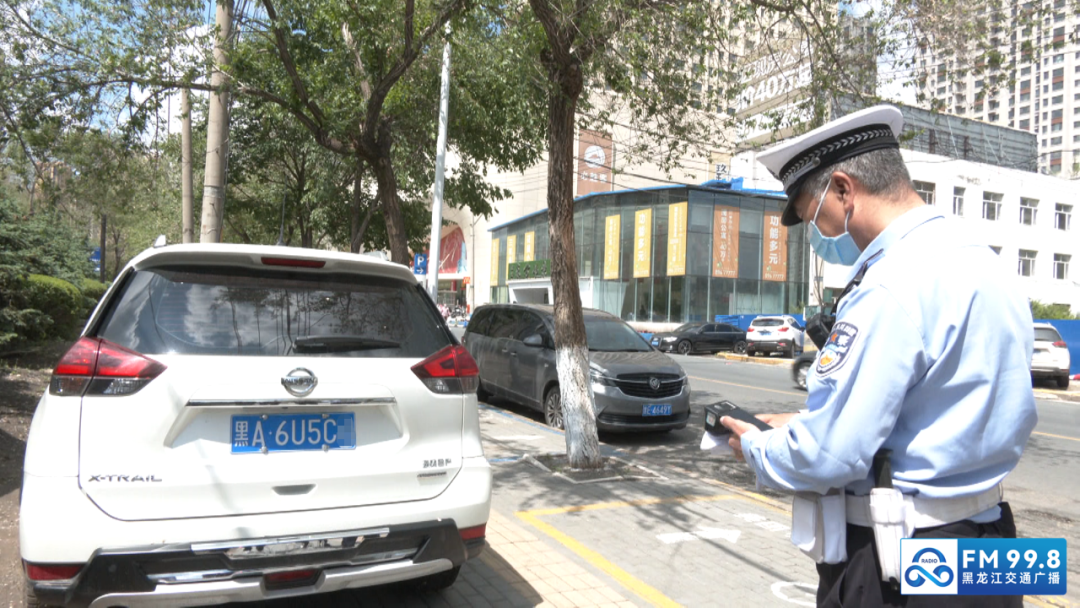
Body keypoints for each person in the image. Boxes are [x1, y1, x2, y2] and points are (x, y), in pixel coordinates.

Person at [718, 105, 1037, 607]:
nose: (818, 236)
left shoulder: (890, 286)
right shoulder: (985, 261)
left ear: (844, 190)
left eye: (812, 217)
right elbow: (936, 403)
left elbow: (830, 456)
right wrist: (806, 420)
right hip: (994, 547)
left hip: (908, 559)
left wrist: (757, 447)